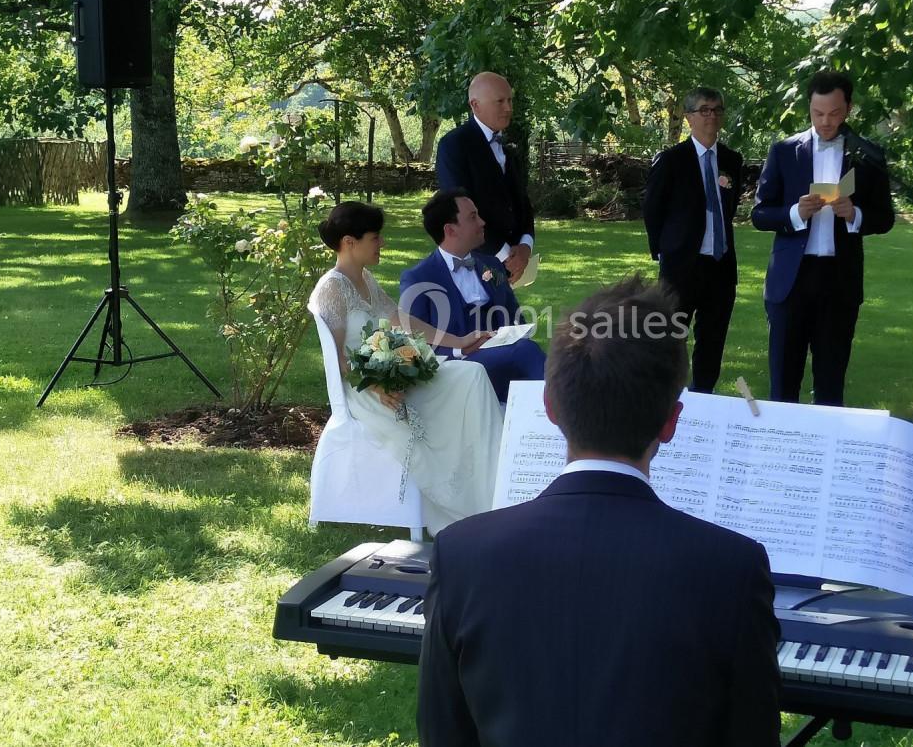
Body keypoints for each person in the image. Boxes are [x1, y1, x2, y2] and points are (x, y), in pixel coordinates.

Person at [418, 276, 782, 747]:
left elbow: (443, 733)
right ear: (671, 423)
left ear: (550, 408)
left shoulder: (460, 554)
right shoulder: (733, 567)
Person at [310, 201, 503, 534]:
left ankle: (497, 484)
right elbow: (338, 358)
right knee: (451, 395)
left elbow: (402, 321)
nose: (382, 243)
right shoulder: (332, 288)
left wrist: (458, 342)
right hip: (366, 390)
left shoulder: (365, 278)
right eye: (375, 237)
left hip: (394, 373)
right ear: (349, 242)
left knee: (472, 374)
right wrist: (377, 386)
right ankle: (467, 507)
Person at [751, 69, 895, 406]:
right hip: (791, 280)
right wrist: (794, 213)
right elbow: (759, 213)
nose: (825, 122)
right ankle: (782, 437)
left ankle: (826, 439)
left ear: (848, 109)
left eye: (833, 113)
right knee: (783, 383)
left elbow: (885, 217)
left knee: (831, 384)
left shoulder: (867, 156)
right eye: (817, 113)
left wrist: (855, 214)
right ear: (809, 108)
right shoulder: (784, 151)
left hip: (839, 281)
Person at [399, 189, 546, 402]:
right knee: (526, 352)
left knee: (540, 355)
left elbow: (515, 315)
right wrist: (460, 349)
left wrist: (518, 332)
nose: (482, 222)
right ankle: (562, 411)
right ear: (450, 230)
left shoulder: (491, 264)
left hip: (503, 351)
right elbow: (415, 341)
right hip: (458, 364)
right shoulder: (418, 278)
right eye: (473, 217)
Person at [643, 86, 743, 394]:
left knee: (713, 341)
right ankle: (665, 400)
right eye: (704, 110)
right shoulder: (672, 160)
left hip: (721, 266)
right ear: (689, 117)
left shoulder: (732, 160)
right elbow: (653, 209)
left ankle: (704, 398)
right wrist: (664, 252)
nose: (711, 116)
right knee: (670, 340)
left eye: (717, 109)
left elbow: (729, 206)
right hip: (681, 267)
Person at [436, 71, 536, 282]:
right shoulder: (454, 145)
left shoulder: (509, 151)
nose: (508, 108)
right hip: (473, 265)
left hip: (513, 268)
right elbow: (459, 209)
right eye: (500, 101)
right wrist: (506, 255)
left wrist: (525, 247)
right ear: (475, 105)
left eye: (510, 100)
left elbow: (523, 205)